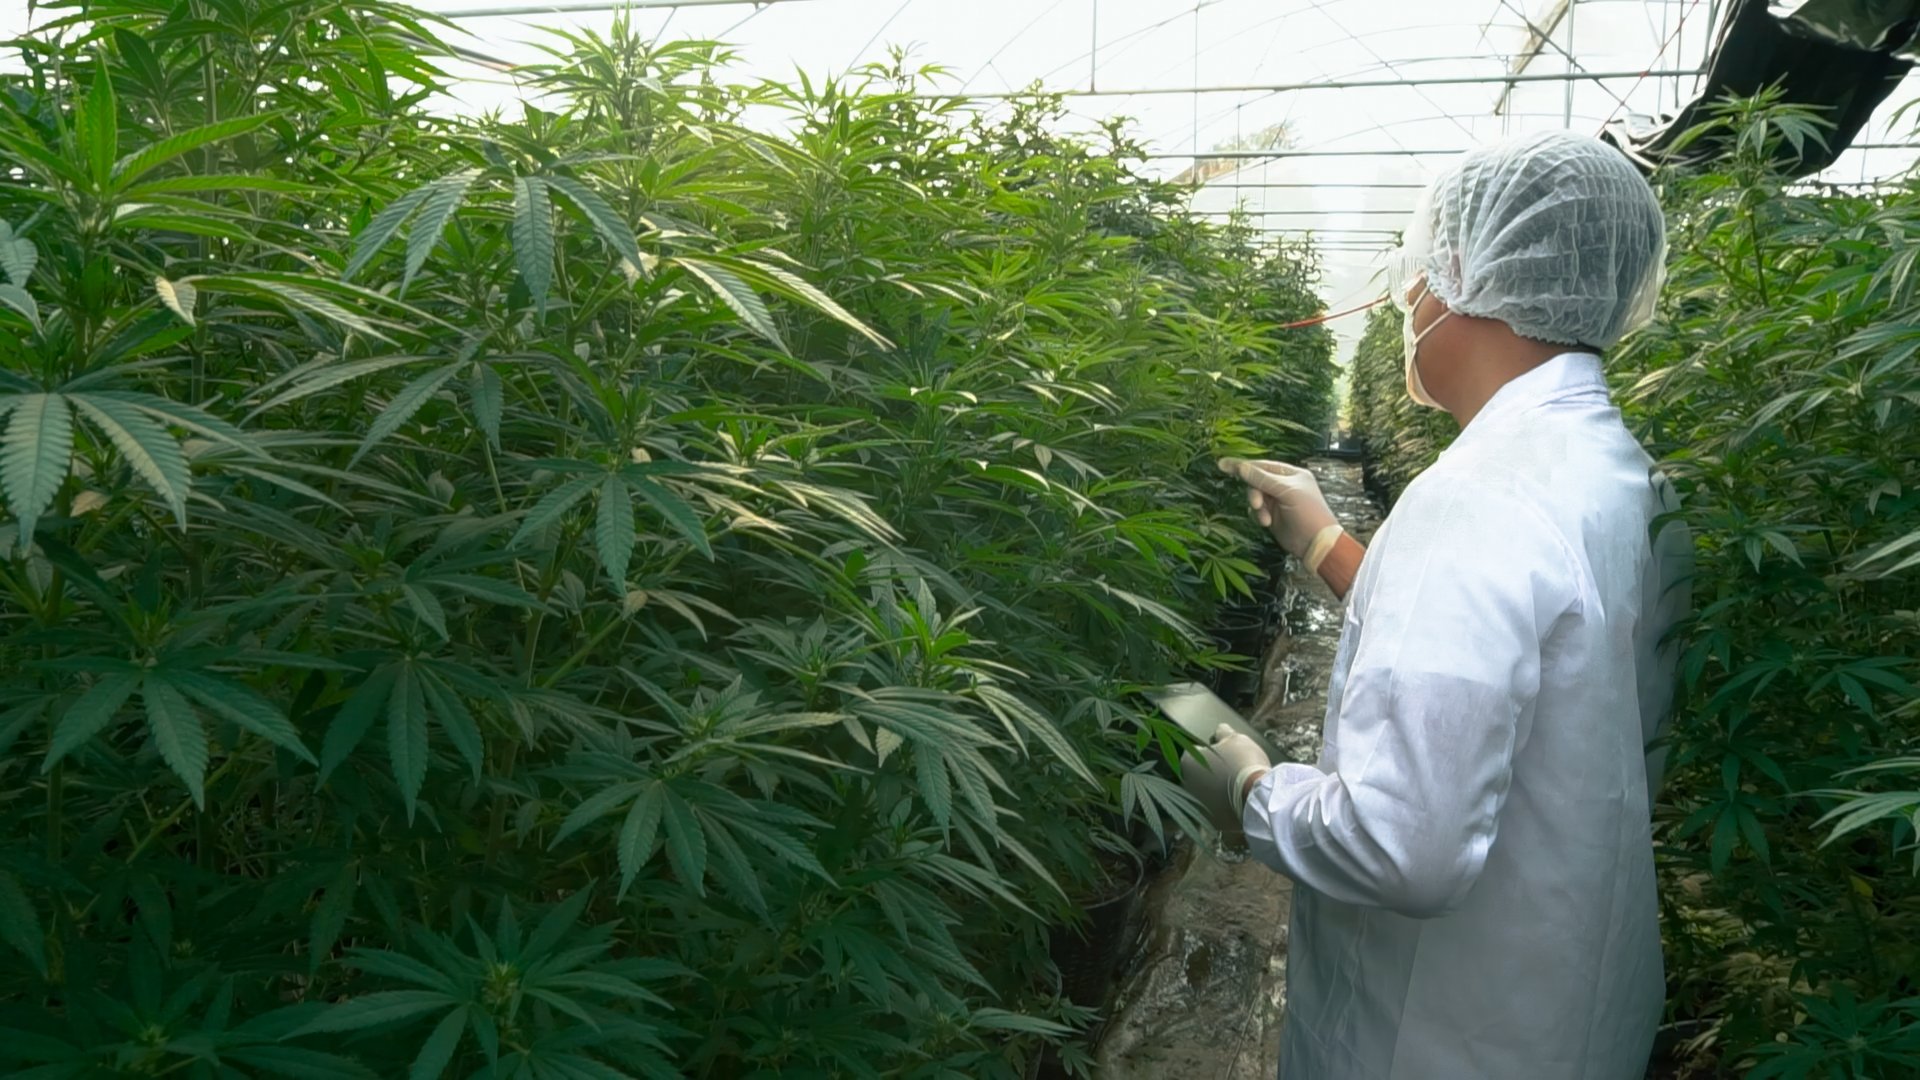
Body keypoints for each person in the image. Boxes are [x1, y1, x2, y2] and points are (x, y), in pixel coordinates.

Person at [1181, 130, 1693, 1079]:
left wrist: (1252, 793)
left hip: (1435, 1035)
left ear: (1469, 276)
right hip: (1564, 1002)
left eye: (1419, 272)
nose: (1409, 296)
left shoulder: (1476, 499)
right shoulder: (1626, 477)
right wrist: (1324, 541)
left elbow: (1398, 849)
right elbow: (1524, 663)